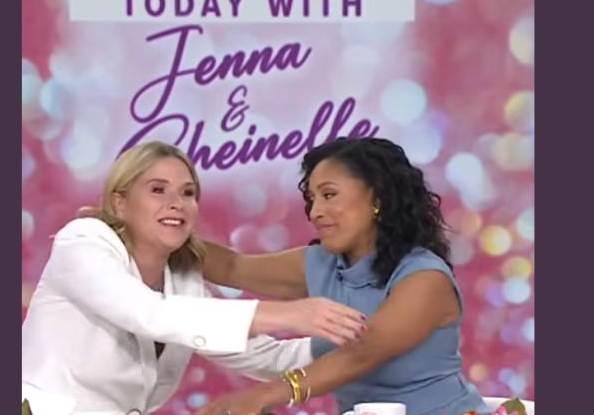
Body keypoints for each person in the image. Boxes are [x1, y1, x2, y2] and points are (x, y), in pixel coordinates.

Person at [21, 141, 366, 415]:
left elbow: (267, 358)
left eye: (187, 193)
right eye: (158, 190)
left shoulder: (184, 282)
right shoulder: (83, 241)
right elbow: (146, 312)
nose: (177, 203)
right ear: (120, 202)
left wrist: (360, 340)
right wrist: (291, 313)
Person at [197, 137, 488, 415]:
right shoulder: (322, 264)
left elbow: (362, 353)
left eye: (329, 195)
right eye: (312, 199)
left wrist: (265, 394)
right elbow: (232, 267)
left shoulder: (425, 277)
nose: (315, 212)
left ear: (377, 198)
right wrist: (170, 236)